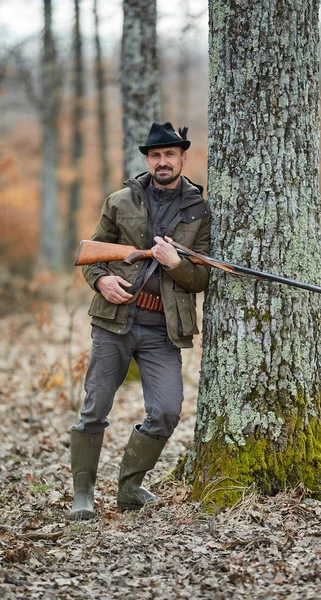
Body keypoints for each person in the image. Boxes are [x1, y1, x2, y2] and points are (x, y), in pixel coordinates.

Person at [69, 122, 211, 520]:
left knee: (166, 410)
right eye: (155, 155)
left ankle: (129, 489)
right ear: (147, 160)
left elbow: (200, 279)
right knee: (94, 409)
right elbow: (89, 257)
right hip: (113, 322)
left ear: (183, 157)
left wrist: (175, 263)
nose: (162, 162)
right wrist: (102, 281)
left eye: (169, 154)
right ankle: (83, 494)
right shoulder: (119, 201)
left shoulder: (199, 208)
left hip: (162, 329)